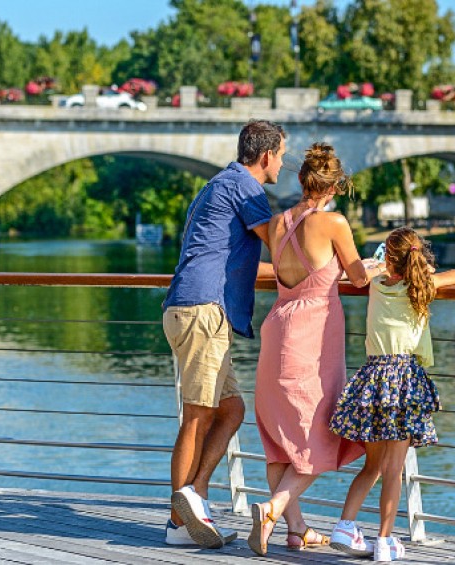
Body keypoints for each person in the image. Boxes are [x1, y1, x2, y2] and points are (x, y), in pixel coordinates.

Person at [247, 142, 386, 556]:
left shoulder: (276, 223)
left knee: (279, 438)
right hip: (312, 338)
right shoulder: (334, 223)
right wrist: (378, 266)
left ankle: (296, 530)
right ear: (335, 186)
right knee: (319, 435)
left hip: (277, 328)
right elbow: (358, 277)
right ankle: (271, 509)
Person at [162, 119, 285, 549]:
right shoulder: (246, 188)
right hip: (202, 312)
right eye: (282, 156)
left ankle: (192, 498)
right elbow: (280, 245)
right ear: (267, 155)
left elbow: (249, 264)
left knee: (230, 410)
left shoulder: (220, 184)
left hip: (195, 310)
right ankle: (180, 520)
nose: (283, 164)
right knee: (197, 414)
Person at [328, 227, 455, 562]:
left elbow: (362, 272)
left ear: (388, 257)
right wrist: (426, 269)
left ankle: (345, 526)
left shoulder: (375, 285)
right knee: (393, 469)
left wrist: (377, 264)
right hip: (403, 380)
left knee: (373, 465)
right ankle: (386, 541)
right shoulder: (423, 286)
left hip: (373, 377)